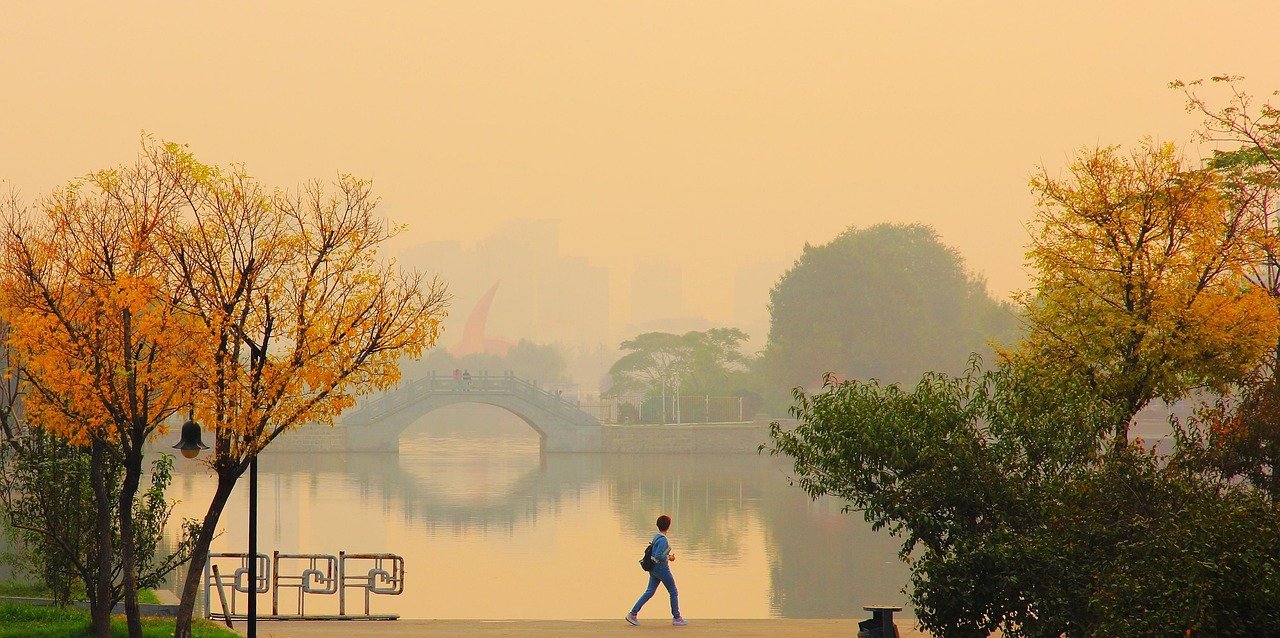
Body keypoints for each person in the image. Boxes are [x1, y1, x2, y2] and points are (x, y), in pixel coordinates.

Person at [626, 514, 687, 626]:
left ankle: (633, 613)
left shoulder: (656, 536)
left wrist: (666, 555)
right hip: (661, 568)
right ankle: (677, 617)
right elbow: (659, 555)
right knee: (673, 591)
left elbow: (655, 553)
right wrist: (669, 557)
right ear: (668, 526)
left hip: (653, 568)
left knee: (649, 592)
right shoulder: (663, 539)